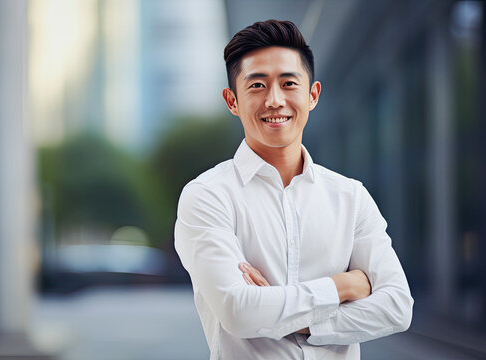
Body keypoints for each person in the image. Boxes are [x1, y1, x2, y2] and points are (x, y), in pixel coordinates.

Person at [174, 19, 413, 359]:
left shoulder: (351, 197)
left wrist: (289, 316)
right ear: (232, 100)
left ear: (312, 94)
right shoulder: (208, 196)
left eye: (288, 83)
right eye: (257, 85)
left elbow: (396, 307)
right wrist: (342, 287)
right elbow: (238, 312)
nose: (274, 100)